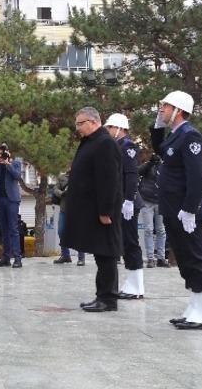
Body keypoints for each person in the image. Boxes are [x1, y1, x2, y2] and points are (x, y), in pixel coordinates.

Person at [151, 90, 202, 330]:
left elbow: (197, 177)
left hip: (184, 210)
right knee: (185, 259)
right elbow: (161, 149)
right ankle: (195, 308)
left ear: (179, 110)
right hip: (172, 208)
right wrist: (157, 126)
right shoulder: (175, 136)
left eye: (165, 107)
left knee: (196, 257)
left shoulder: (191, 136)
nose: (161, 109)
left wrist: (190, 209)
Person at [63, 107, 123, 313]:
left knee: (106, 254)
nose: (77, 128)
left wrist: (106, 210)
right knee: (100, 254)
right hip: (91, 209)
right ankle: (101, 295)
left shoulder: (105, 143)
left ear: (94, 121)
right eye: (76, 124)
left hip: (103, 212)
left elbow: (109, 180)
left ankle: (108, 299)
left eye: (80, 123)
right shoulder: (92, 142)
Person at [106, 113, 145, 300]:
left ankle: (136, 285)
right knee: (124, 242)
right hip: (120, 202)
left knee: (130, 241)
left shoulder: (127, 146)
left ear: (120, 128)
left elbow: (131, 175)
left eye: (110, 127)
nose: (108, 131)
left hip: (127, 202)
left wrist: (129, 200)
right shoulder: (116, 146)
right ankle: (131, 282)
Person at [0, 143, 24, 268]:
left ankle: (18, 258)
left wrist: (7, 163)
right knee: (3, 229)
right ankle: (6, 257)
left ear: (8, 153)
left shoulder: (15, 163)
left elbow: (17, 176)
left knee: (13, 229)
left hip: (12, 200)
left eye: (2, 153)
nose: (0, 155)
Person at [137, 154, 169, 267]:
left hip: (161, 201)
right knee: (148, 229)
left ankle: (161, 258)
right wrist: (150, 163)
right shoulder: (148, 165)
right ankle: (150, 258)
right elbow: (138, 171)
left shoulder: (165, 165)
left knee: (161, 230)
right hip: (147, 200)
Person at [52, 172, 86, 265]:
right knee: (61, 231)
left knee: (78, 233)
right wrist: (62, 193)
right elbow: (55, 189)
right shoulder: (62, 177)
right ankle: (65, 255)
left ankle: (81, 258)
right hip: (64, 209)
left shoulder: (82, 175)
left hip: (77, 209)